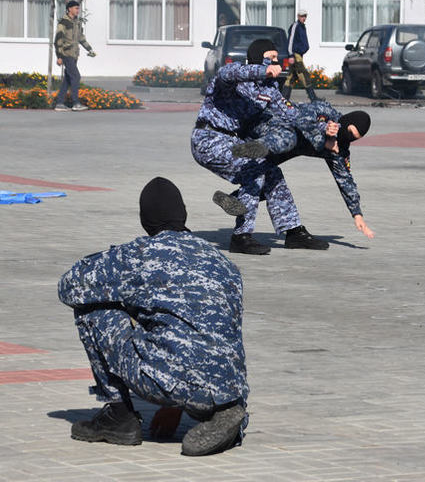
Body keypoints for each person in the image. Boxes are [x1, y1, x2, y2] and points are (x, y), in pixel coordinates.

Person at [58, 177, 248, 457]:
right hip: (230, 385)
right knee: (186, 321)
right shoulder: (222, 261)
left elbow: (69, 286)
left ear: (145, 220)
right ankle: (224, 411)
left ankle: (118, 416)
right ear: (183, 214)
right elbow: (196, 330)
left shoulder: (140, 254)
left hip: (172, 379)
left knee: (92, 305)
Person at [191, 38, 327, 255]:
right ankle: (241, 237)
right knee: (254, 170)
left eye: (276, 57)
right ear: (258, 59)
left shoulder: (269, 89)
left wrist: (326, 127)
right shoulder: (234, 78)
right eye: (271, 57)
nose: (277, 61)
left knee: (272, 172)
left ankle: (293, 232)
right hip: (208, 138)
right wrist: (263, 71)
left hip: (234, 141)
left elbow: (292, 115)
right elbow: (228, 72)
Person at [230, 100, 376, 241]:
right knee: (265, 166)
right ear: (344, 121)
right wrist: (324, 134)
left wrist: (357, 214)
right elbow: (300, 120)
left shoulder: (339, 149)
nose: (347, 139)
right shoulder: (324, 111)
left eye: (353, 138)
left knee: (268, 180)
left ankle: (235, 200)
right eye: (349, 132)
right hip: (269, 128)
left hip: (278, 154)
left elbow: (346, 181)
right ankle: (237, 150)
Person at [54, 0, 96, 112]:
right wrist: (59, 56)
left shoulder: (76, 22)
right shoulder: (63, 23)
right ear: (69, 9)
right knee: (76, 76)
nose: (78, 10)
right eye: (76, 8)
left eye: (78, 8)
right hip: (66, 54)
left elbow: (81, 38)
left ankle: (59, 103)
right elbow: (58, 39)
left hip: (74, 55)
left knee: (68, 79)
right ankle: (76, 103)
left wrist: (89, 49)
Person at [283, 10, 318, 101]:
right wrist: (290, 55)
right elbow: (290, 41)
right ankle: (313, 98)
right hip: (295, 55)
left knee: (291, 76)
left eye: (305, 16)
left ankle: (284, 99)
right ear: (298, 16)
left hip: (299, 54)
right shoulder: (296, 26)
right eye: (302, 16)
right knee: (304, 75)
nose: (304, 18)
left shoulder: (302, 27)